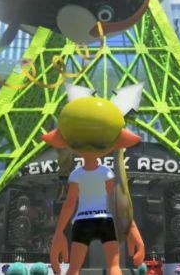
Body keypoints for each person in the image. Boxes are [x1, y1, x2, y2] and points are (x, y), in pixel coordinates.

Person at [43, 83, 146, 275]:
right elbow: (117, 201)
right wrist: (131, 228)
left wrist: (59, 233)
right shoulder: (106, 172)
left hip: (82, 221)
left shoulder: (76, 174)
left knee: (74, 268)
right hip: (105, 221)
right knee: (114, 266)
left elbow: (70, 203)